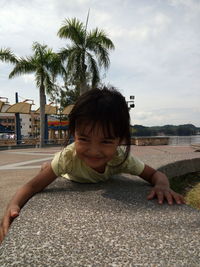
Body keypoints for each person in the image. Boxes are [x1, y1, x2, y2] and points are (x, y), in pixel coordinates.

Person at [0, 86, 185, 243]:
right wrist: (13, 205)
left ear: (119, 139)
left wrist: (162, 186)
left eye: (105, 142)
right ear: (73, 133)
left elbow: (155, 175)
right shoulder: (69, 157)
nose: (94, 150)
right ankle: (47, 166)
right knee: (49, 169)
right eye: (84, 139)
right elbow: (32, 186)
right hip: (68, 171)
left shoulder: (121, 158)